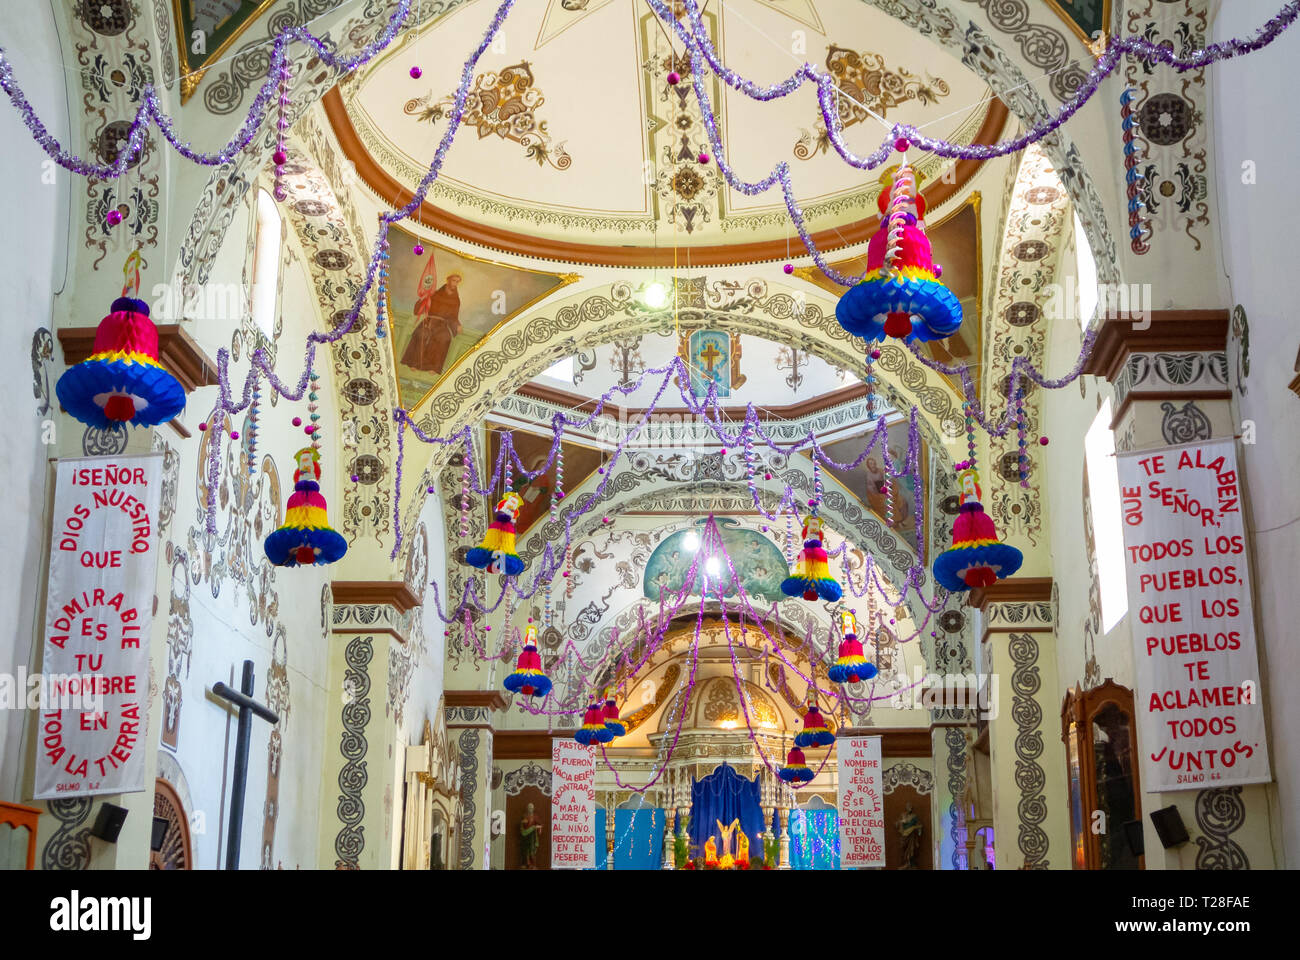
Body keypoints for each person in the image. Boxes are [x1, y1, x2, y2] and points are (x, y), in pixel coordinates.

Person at [401, 270, 464, 374]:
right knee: (421, 334)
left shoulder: (456, 300)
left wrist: (457, 325)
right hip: (429, 321)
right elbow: (419, 310)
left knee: (444, 338)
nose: (455, 284)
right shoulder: (434, 294)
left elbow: (453, 316)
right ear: (448, 280)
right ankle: (414, 364)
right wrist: (423, 298)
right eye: (454, 280)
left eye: (457, 282)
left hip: (442, 325)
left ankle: (433, 367)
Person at [897, 801, 924, 869]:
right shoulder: (903, 815)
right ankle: (905, 863)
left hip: (912, 835)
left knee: (911, 849)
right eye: (908, 807)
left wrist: (917, 829)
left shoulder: (914, 816)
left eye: (911, 807)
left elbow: (919, 825)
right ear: (906, 808)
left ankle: (911, 864)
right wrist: (900, 822)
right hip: (904, 835)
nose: (910, 808)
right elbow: (897, 824)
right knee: (904, 849)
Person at [519, 802, 543, 869]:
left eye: (531, 808)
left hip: (532, 836)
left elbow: (540, 825)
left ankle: (533, 865)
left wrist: (536, 827)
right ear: (527, 808)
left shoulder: (535, 817)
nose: (530, 809)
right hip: (525, 836)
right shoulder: (524, 816)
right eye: (529, 808)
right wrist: (523, 823)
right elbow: (522, 826)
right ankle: (525, 864)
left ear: (533, 809)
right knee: (525, 850)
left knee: (532, 851)